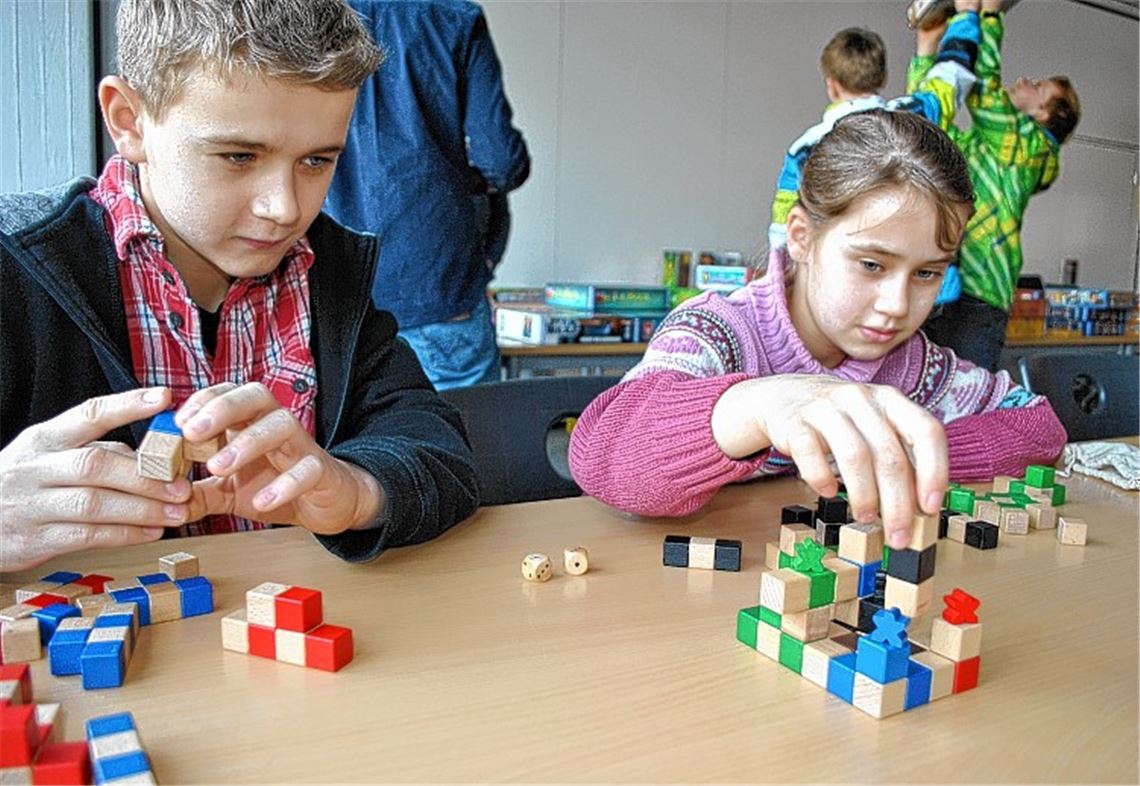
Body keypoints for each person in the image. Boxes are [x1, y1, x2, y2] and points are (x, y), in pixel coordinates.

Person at [0, 0, 479, 573]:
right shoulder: (17, 270)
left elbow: (438, 450)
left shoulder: (330, 272)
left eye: (316, 161)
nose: (284, 208)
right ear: (129, 120)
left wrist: (354, 489)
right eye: (239, 155)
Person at [569, 111, 1066, 551]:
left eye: (927, 273)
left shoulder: (915, 367)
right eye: (872, 264)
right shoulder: (716, 333)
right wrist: (759, 405)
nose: (897, 306)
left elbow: (1040, 427)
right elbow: (601, 456)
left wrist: (910, 453)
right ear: (802, 238)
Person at [325, 0, 531, 391]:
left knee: (349, 446)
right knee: (471, 442)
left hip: (336, 294)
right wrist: (453, 175)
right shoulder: (454, 17)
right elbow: (502, 161)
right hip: (438, 285)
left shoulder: (304, 17)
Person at [767, 0, 979, 303]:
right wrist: (967, 16)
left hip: (847, 297)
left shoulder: (805, 149)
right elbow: (953, 76)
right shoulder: (914, 117)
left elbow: (781, 234)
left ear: (832, 85)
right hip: (928, 293)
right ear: (881, 79)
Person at [914, 0, 1081, 370]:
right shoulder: (994, 149)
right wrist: (926, 51)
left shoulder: (1030, 149)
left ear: (1045, 114)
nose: (1023, 82)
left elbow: (984, 91)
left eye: (1037, 87)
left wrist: (985, 15)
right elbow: (927, 128)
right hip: (940, 285)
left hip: (978, 298)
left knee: (964, 411)